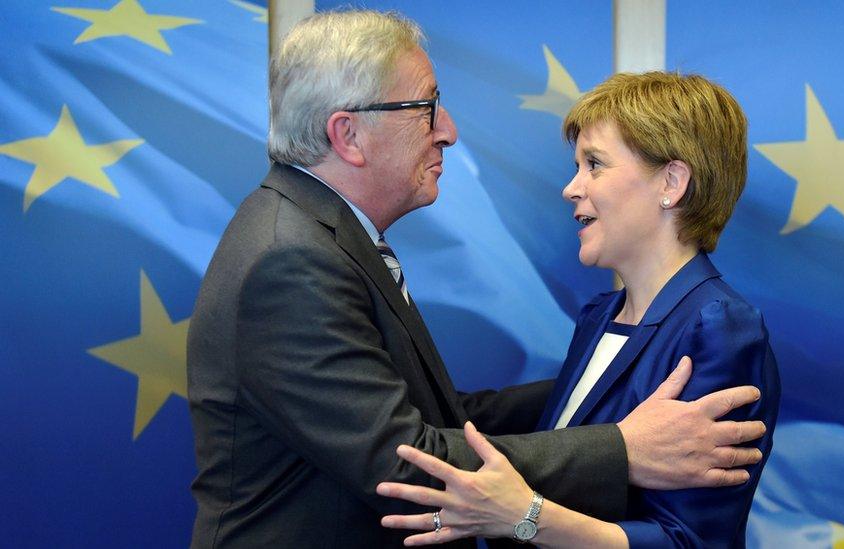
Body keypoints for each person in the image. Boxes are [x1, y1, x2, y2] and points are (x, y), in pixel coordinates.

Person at [187, 10, 768, 549]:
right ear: (348, 135)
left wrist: (601, 385)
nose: (449, 130)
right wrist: (621, 450)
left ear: (672, 183)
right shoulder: (291, 257)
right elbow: (408, 461)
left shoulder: (313, 235)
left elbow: (438, 416)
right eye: (426, 107)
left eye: (595, 164)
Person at [377, 72, 780, 548]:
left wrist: (525, 515)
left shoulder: (718, 328)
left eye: (595, 164)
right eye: (577, 165)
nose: (571, 187)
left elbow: (689, 541)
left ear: (671, 182)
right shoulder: (599, 316)